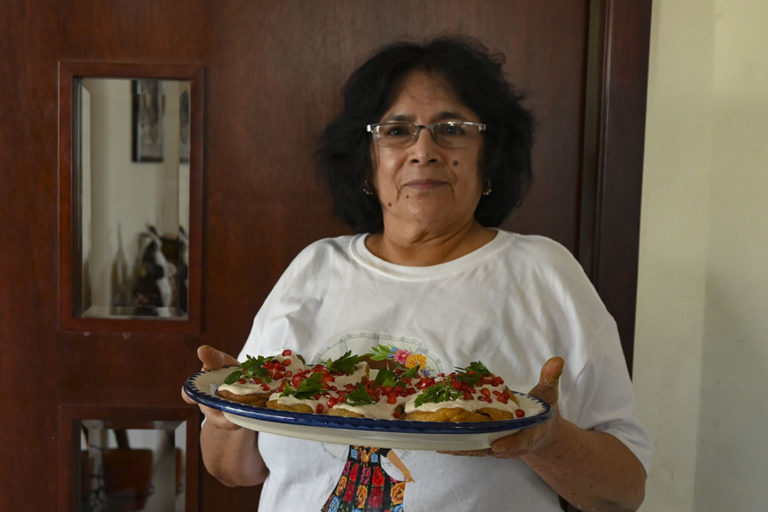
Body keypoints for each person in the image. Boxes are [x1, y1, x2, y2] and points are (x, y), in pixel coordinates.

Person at [183, 35, 651, 511]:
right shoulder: (314, 268)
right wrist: (226, 418)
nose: (423, 149)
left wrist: (545, 440)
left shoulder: (541, 274)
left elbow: (622, 493)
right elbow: (233, 470)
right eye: (397, 131)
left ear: (488, 157)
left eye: (451, 128)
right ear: (368, 163)